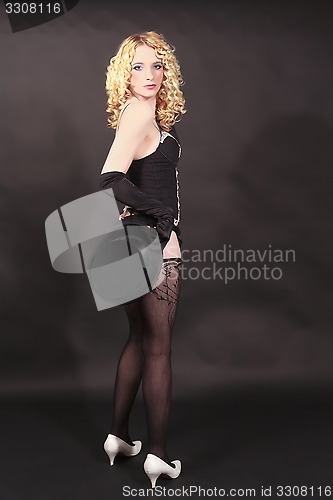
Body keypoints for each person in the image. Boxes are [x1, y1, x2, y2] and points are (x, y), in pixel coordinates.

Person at [99, 31, 186, 489]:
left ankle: (118, 437)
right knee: (157, 348)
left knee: (137, 338)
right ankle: (159, 456)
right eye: (137, 66)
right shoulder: (137, 112)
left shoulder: (141, 115)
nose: (149, 75)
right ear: (124, 75)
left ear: (165, 69)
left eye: (156, 65)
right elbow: (110, 177)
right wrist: (162, 213)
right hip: (152, 242)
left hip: (122, 242)